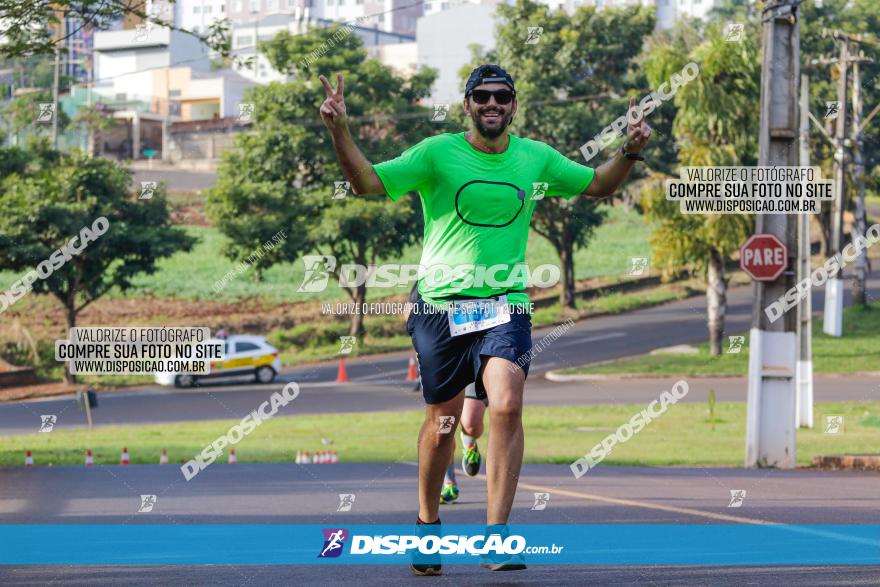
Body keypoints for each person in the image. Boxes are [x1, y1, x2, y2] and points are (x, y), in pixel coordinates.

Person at [319, 63, 650, 575]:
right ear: (468, 105)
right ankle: (428, 527)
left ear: (513, 106)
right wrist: (339, 129)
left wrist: (630, 150)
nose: (492, 104)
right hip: (438, 306)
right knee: (444, 421)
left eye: (502, 97)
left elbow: (599, 186)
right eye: (482, 97)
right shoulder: (436, 153)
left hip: (506, 302)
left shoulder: (534, 156)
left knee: (508, 403)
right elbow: (365, 183)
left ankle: (497, 536)